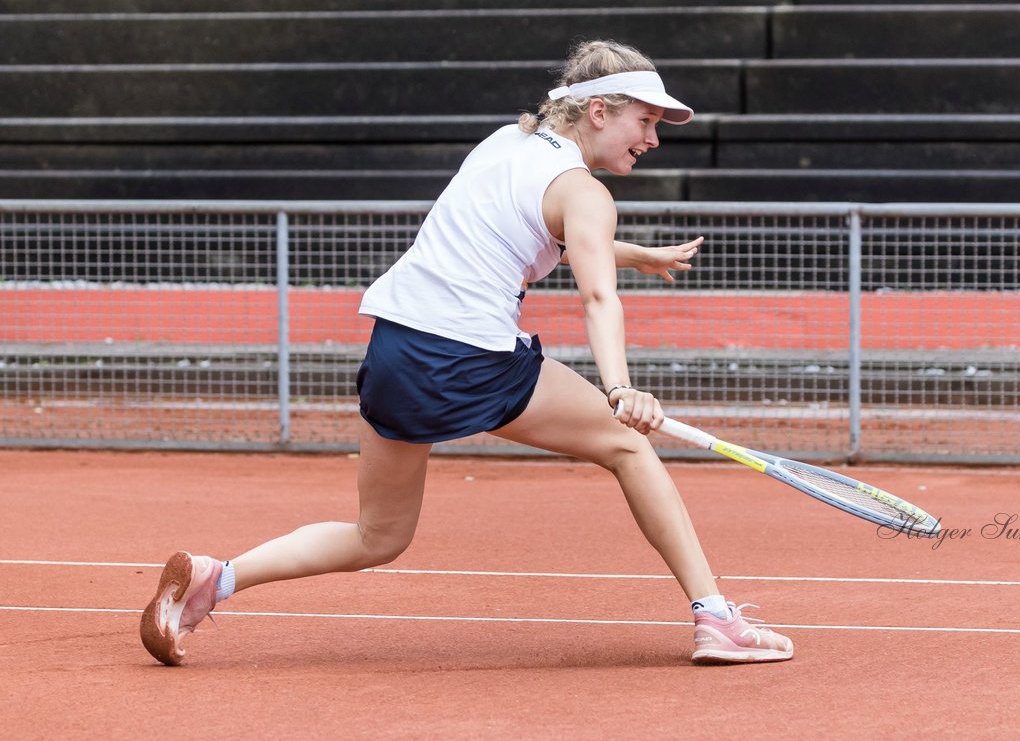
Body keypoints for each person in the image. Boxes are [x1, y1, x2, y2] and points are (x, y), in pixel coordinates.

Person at [140, 39, 794, 666]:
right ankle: (716, 618)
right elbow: (597, 297)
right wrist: (620, 389)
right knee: (626, 444)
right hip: (470, 355)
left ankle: (215, 580)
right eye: (644, 120)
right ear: (599, 112)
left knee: (380, 536)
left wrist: (630, 252)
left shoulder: (504, 145)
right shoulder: (585, 193)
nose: (652, 139)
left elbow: (520, 230)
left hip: (395, 346)